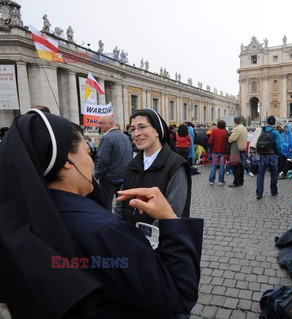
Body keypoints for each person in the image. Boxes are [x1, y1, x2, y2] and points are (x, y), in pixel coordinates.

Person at [0, 109, 202, 317]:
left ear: (158, 131)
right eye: (88, 153)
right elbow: (179, 296)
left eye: (142, 127)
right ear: (68, 161)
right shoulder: (107, 231)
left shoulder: (30, 215)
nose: (92, 162)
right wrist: (157, 225)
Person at [119, 109, 191, 221]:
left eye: (142, 127)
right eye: (132, 129)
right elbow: (120, 205)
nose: (136, 134)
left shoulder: (176, 166)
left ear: (157, 130)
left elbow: (173, 213)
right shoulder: (132, 164)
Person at [95, 115, 133, 211]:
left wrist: (97, 174)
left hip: (109, 178)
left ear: (110, 124)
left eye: (101, 123)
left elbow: (102, 160)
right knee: (123, 205)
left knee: (106, 204)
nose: (99, 125)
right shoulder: (125, 137)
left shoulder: (107, 138)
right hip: (123, 177)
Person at [256, 115, 282, 199]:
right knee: (274, 173)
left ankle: (259, 193)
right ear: (274, 123)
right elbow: (278, 146)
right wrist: (278, 154)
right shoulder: (275, 132)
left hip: (262, 154)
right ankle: (273, 191)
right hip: (272, 155)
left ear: (267, 122)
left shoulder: (262, 131)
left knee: (260, 174)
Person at [228, 116, 247, 187]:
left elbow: (231, 139)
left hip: (237, 150)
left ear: (235, 122)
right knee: (242, 167)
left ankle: (236, 182)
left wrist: (230, 137)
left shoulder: (237, 129)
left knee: (236, 167)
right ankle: (241, 181)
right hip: (243, 149)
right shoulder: (244, 128)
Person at [208, 119, 228, 186]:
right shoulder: (226, 132)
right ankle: (221, 181)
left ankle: (211, 180)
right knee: (222, 166)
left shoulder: (214, 132)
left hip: (215, 150)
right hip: (223, 151)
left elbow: (210, 141)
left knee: (214, 165)